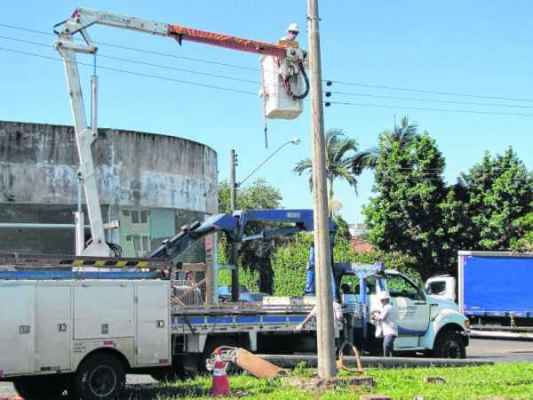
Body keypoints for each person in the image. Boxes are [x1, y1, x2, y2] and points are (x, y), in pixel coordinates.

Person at [373, 292, 398, 357]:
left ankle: (385, 360)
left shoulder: (387, 307)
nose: (381, 301)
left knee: (386, 345)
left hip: (390, 331)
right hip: (390, 331)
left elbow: (381, 318)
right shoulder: (389, 307)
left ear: (385, 300)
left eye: (382, 300)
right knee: (390, 348)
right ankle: (392, 360)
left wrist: (374, 317)